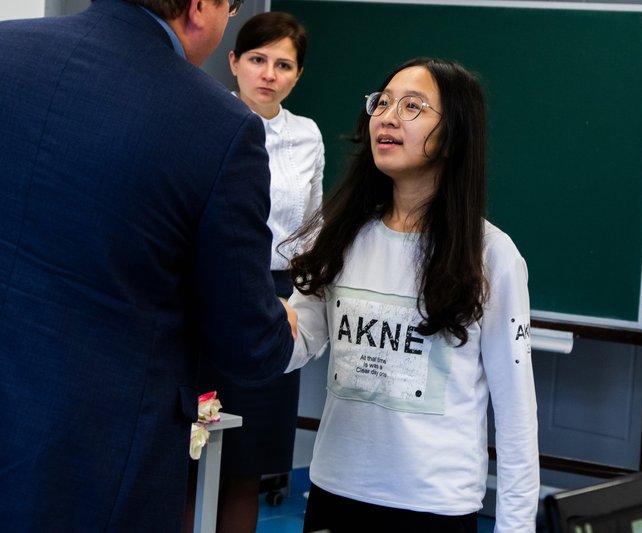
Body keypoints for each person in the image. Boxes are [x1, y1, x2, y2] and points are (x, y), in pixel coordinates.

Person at [0, 0, 296, 531]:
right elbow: (248, 342)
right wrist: (281, 324)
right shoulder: (219, 126)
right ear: (200, 6)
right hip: (96, 464)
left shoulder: (7, 48)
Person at [285, 57, 540, 532]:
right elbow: (296, 343)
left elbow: (516, 416)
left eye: (412, 107)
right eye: (382, 103)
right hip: (336, 491)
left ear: (453, 135)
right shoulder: (340, 235)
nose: (387, 116)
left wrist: (516, 527)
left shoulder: (492, 256)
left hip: (434, 506)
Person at [196, 11, 325, 531]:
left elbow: (313, 227)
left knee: (247, 464)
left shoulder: (307, 135)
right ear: (234, 62)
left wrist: (299, 303)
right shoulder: (206, 119)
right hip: (211, 298)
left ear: (298, 74)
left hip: (278, 303)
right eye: (257, 59)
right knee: (194, 451)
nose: (269, 74)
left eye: (283, 64)